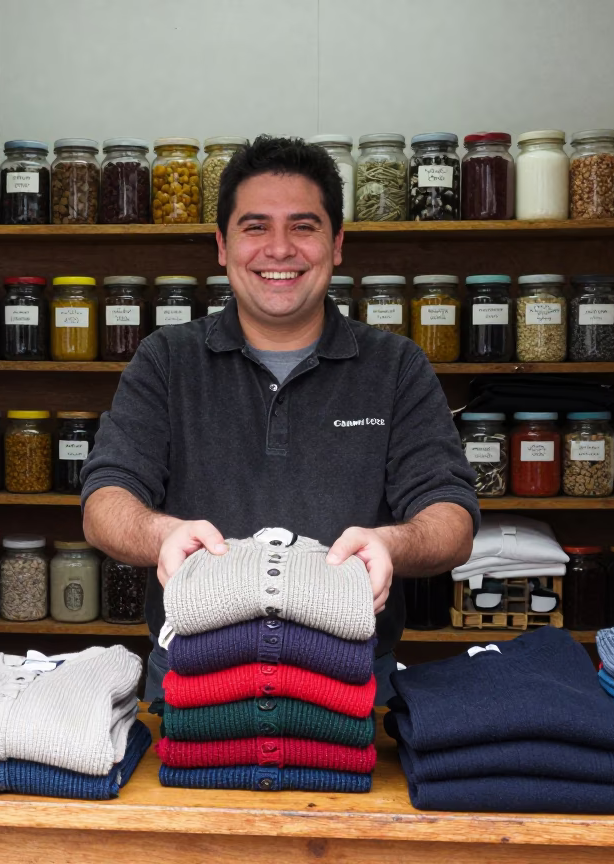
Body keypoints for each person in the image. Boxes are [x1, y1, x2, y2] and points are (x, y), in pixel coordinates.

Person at [80, 135, 479, 702]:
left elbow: (452, 518)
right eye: (255, 227)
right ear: (223, 246)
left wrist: (390, 543)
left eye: (303, 226)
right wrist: (161, 534)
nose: (280, 249)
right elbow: (104, 501)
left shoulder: (396, 367)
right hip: (192, 674)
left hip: (354, 678)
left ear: (336, 245)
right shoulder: (165, 360)